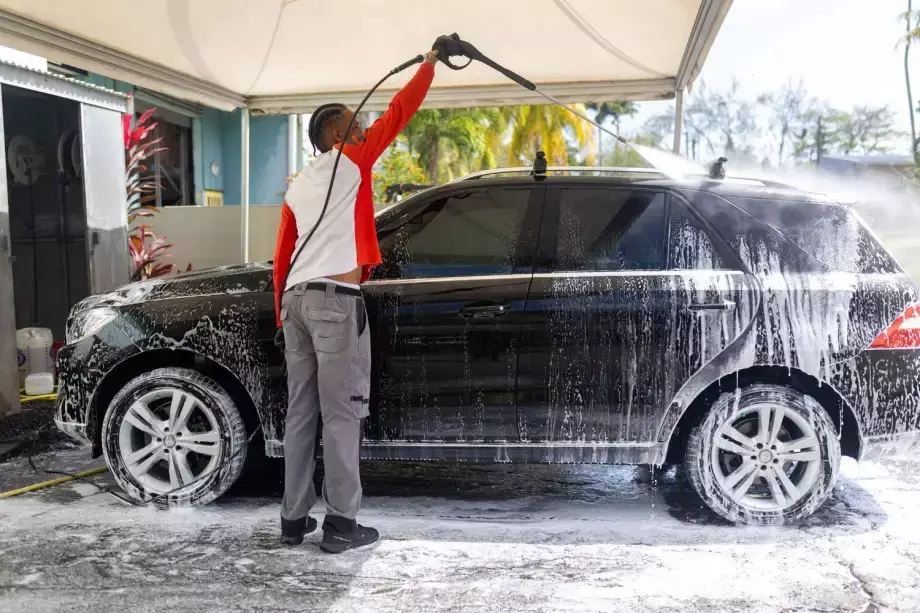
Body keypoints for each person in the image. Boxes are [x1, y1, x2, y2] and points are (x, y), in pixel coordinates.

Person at [272, 48, 439, 554]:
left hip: (296, 302)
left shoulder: (299, 183)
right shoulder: (354, 160)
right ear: (335, 136)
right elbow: (400, 112)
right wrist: (429, 64)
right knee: (342, 412)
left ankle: (292, 521)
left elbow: (281, 256)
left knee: (300, 414)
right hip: (334, 302)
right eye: (354, 124)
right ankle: (342, 526)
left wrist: (282, 311)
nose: (366, 128)